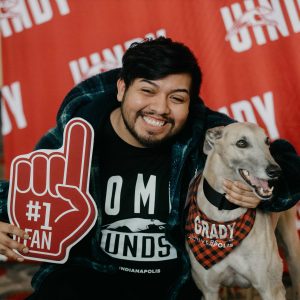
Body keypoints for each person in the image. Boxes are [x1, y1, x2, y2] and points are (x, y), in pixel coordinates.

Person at [0, 37, 299, 300]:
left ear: (190, 102)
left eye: (177, 98)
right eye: (147, 90)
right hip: (84, 281)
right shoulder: (75, 136)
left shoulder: (206, 133)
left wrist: (270, 193)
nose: (161, 108)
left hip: (171, 288)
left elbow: (283, 159)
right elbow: (19, 196)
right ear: (121, 89)